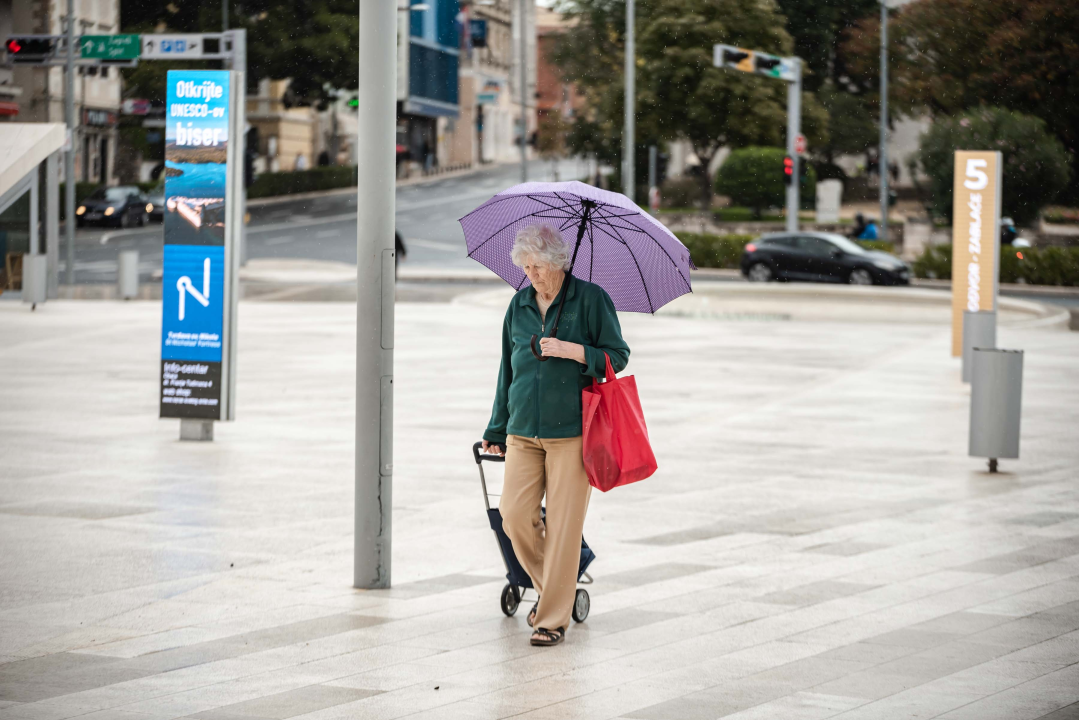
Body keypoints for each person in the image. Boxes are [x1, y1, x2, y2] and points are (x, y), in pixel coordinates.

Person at [481, 224, 630, 647]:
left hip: (572, 432)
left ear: (561, 263)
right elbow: (507, 369)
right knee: (513, 516)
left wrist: (575, 351)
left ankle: (550, 621)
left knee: (564, 527)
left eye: (540, 267)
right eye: (526, 267)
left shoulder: (591, 300)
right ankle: (554, 592)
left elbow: (617, 355)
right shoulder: (519, 304)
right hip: (523, 430)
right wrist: (497, 425)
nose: (533, 275)